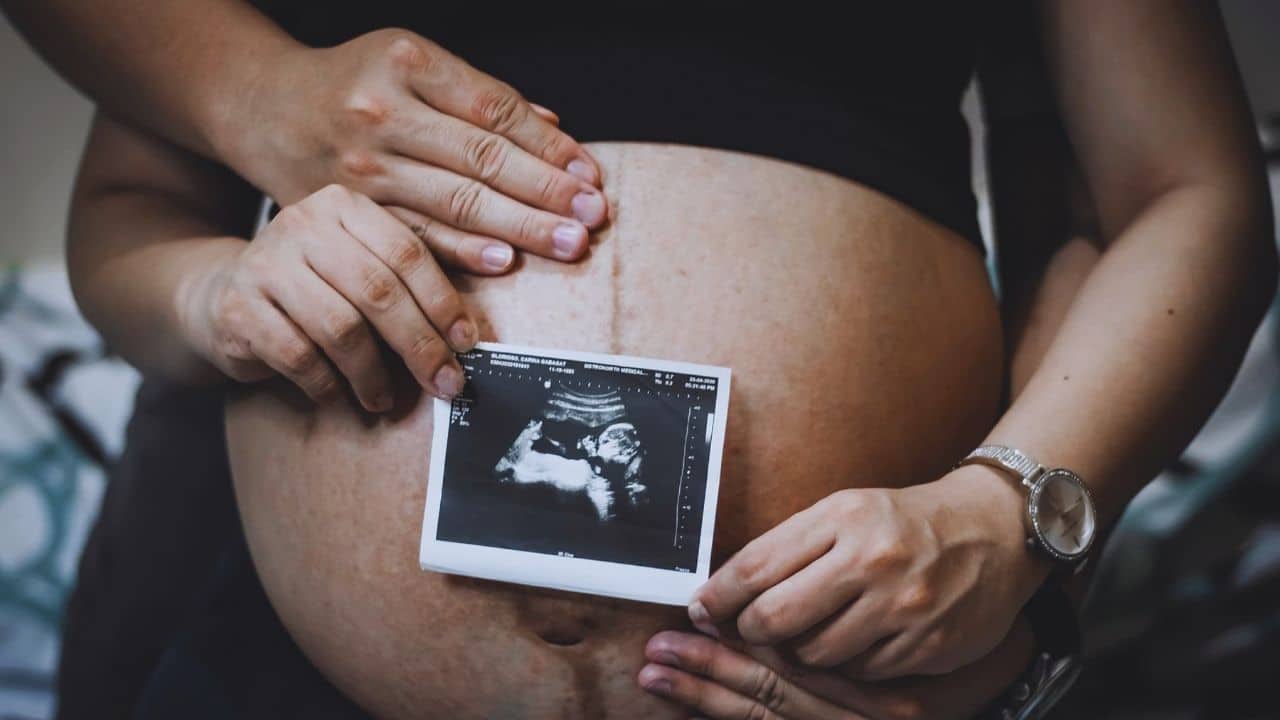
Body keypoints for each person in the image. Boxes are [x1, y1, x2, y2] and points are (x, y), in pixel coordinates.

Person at [5, 2, 1276, 718]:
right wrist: (218, 290)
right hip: (290, 676)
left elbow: (1183, 191)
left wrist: (1011, 527)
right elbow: (129, 211)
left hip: (831, 695)